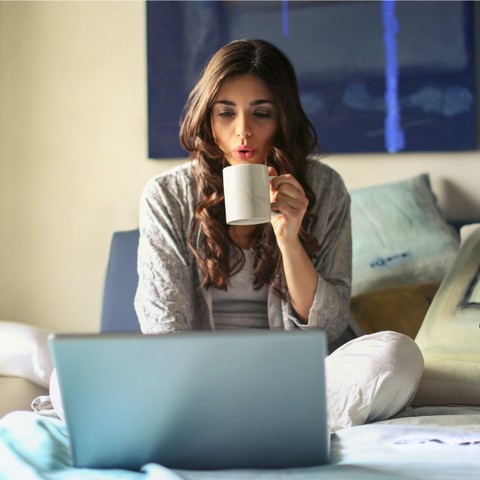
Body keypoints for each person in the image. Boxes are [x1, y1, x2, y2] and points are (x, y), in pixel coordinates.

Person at [134, 39, 424, 432]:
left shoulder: (325, 188)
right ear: (207, 120)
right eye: (226, 113)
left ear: (282, 118)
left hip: (297, 380)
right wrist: (188, 382)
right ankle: (263, 421)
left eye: (261, 113)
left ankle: (231, 422)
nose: (244, 132)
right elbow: (163, 324)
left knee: (397, 355)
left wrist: (289, 239)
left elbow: (329, 326)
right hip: (199, 380)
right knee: (66, 381)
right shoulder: (167, 195)